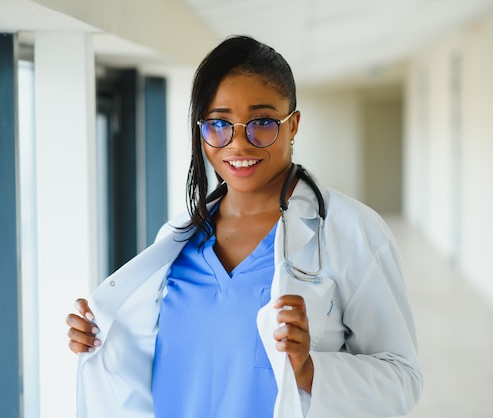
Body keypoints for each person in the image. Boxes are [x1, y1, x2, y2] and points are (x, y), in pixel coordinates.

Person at [66, 35, 423, 418]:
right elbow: (163, 367)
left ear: (293, 125)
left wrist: (310, 371)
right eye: (219, 124)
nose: (238, 144)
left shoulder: (351, 231)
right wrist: (103, 340)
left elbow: (402, 380)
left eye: (263, 122)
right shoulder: (177, 240)